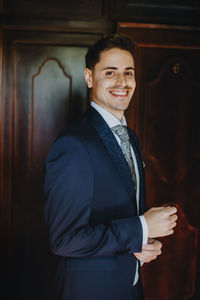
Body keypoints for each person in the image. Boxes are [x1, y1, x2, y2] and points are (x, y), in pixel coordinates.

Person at [44, 34, 178, 300]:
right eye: (110, 72)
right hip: (90, 291)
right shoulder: (74, 145)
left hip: (130, 287)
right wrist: (141, 228)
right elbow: (65, 240)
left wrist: (139, 243)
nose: (122, 82)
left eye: (128, 72)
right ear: (89, 77)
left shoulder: (132, 137)